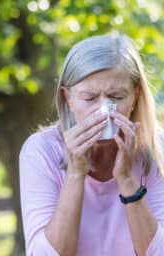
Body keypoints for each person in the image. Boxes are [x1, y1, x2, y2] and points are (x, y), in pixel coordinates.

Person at [19, 33, 164, 256]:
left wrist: (126, 178)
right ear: (68, 98)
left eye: (116, 97)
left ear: (135, 96)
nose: (103, 110)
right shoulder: (41, 151)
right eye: (89, 98)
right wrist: (76, 174)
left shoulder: (156, 147)